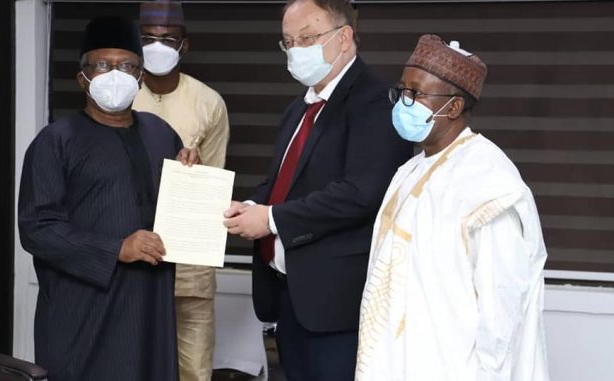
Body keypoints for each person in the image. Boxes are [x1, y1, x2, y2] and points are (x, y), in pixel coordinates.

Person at [223, 1, 413, 380]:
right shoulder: (299, 108)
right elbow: (282, 184)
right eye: (288, 42)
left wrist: (271, 219)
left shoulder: (375, 100)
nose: (296, 51)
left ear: (344, 38)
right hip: (288, 296)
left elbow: (362, 193)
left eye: (307, 38)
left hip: (336, 305)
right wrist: (249, 206)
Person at [355, 34, 550, 381]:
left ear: (454, 107)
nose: (404, 102)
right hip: (394, 360)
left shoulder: (488, 183)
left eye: (416, 94)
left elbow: (502, 306)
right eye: (402, 91)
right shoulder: (408, 171)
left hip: (453, 366)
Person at [18, 16, 184, 381]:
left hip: (150, 306)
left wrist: (191, 173)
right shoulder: (55, 141)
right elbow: (36, 229)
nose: (116, 74)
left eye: (127, 66)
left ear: (140, 77)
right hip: (83, 313)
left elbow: (178, 208)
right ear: (83, 78)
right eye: (103, 65)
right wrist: (115, 249)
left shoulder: (162, 134)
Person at [132, 2, 229, 381]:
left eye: (167, 39)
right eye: (148, 39)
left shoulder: (209, 103)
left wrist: (195, 169)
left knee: (193, 371)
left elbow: (215, 181)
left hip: (190, 267)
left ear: (183, 46)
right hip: (134, 264)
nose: (157, 47)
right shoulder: (120, 97)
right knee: (133, 363)